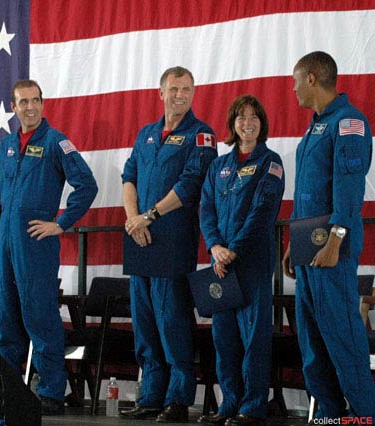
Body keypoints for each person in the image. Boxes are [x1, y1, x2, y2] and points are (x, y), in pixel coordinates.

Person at [0, 79, 98, 415]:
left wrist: (60, 223)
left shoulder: (56, 142)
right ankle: (7, 391)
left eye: (36, 100)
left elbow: (87, 185)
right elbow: (0, 201)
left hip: (36, 245)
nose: (30, 107)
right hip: (6, 246)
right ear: (13, 107)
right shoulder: (7, 145)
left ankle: (52, 390)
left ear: (43, 103)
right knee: (6, 319)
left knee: (41, 317)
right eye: (23, 102)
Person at [120, 66, 218, 422]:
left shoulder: (201, 134)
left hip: (172, 240)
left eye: (187, 89)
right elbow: (128, 176)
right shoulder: (146, 134)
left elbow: (192, 184)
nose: (180, 95)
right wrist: (134, 220)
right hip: (139, 238)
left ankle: (177, 399)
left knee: (172, 319)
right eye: (174, 89)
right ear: (160, 93)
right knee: (144, 321)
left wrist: (149, 216)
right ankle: (150, 395)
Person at [282, 51, 375, 419]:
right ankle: (329, 415)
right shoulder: (315, 125)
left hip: (330, 250)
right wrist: (293, 241)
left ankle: (366, 415)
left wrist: (336, 239)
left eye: (294, 81)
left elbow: (349, 189)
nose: (292, 89)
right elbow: (307, 191)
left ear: (311, 78)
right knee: (312, 343)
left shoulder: (349, 122)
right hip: (308, 249)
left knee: (343, 340)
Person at [198, 95, 285, 426]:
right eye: (241, 117)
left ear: (261, 123)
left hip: (251, 264)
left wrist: (232, 249)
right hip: (221, 265)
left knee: (254, 340)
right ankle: (229, 405)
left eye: (254, 117)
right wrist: (215, 247)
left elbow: (263, 210)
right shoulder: (218, 167)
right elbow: (207, 209)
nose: (247, 122)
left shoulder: (270, 162)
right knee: (224, 339)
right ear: (232, 124)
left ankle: (252, 406)